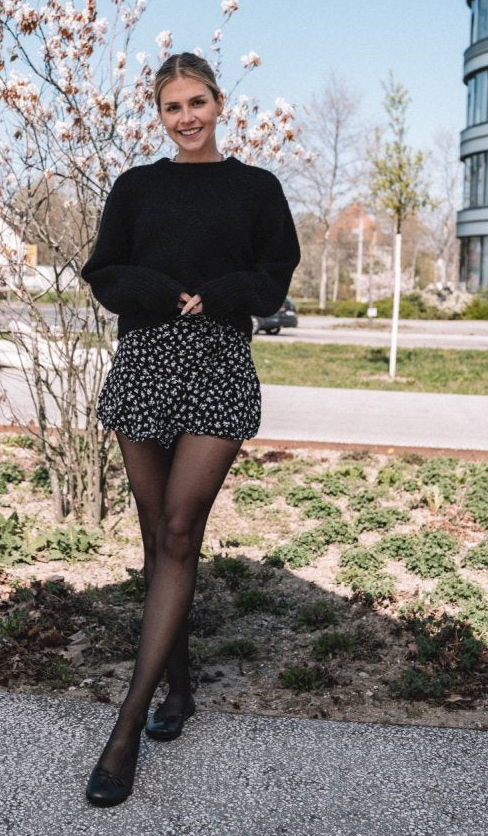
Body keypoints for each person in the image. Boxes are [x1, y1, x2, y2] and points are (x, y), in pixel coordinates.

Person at [79, 52, 300, 807]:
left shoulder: (256, 188)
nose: (186, 118)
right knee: (156, 539)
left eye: (196, 102)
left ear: (218, 102)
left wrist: (221, 293)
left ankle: (125, 729)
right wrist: (155, 288)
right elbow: (104, 271)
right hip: (145, 359)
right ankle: (178, 688)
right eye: (172, 107)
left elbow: (274, 273)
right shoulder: (136, 186)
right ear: (160, 114)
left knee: (178, 530)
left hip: (218, 364)